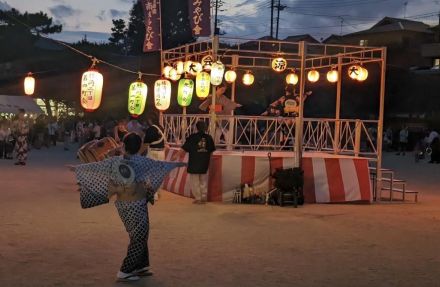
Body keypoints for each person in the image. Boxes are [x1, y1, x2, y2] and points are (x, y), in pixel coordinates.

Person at [73, 133, 184, 282]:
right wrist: (178, 164)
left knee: (140, 235)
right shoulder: (143, 161)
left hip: (124, 205)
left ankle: (142, 266)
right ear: (139, 147)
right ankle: (125, 270)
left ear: (123, 146)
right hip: (137, 204)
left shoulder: (114, 161)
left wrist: (77, 169)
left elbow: (95, 166)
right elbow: (162, 166)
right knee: (139, 237)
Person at [173, 121, 216, 204]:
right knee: (203, 180)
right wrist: (207, 159)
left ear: (196, 128)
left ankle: (198, 198)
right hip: (204, 162)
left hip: (194, 162)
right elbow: (211, 151)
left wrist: (175, 156)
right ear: (206, 128)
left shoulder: (192, 137)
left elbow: (184, 149)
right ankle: (203, 197)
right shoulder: (209, 138)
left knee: (195, 181)